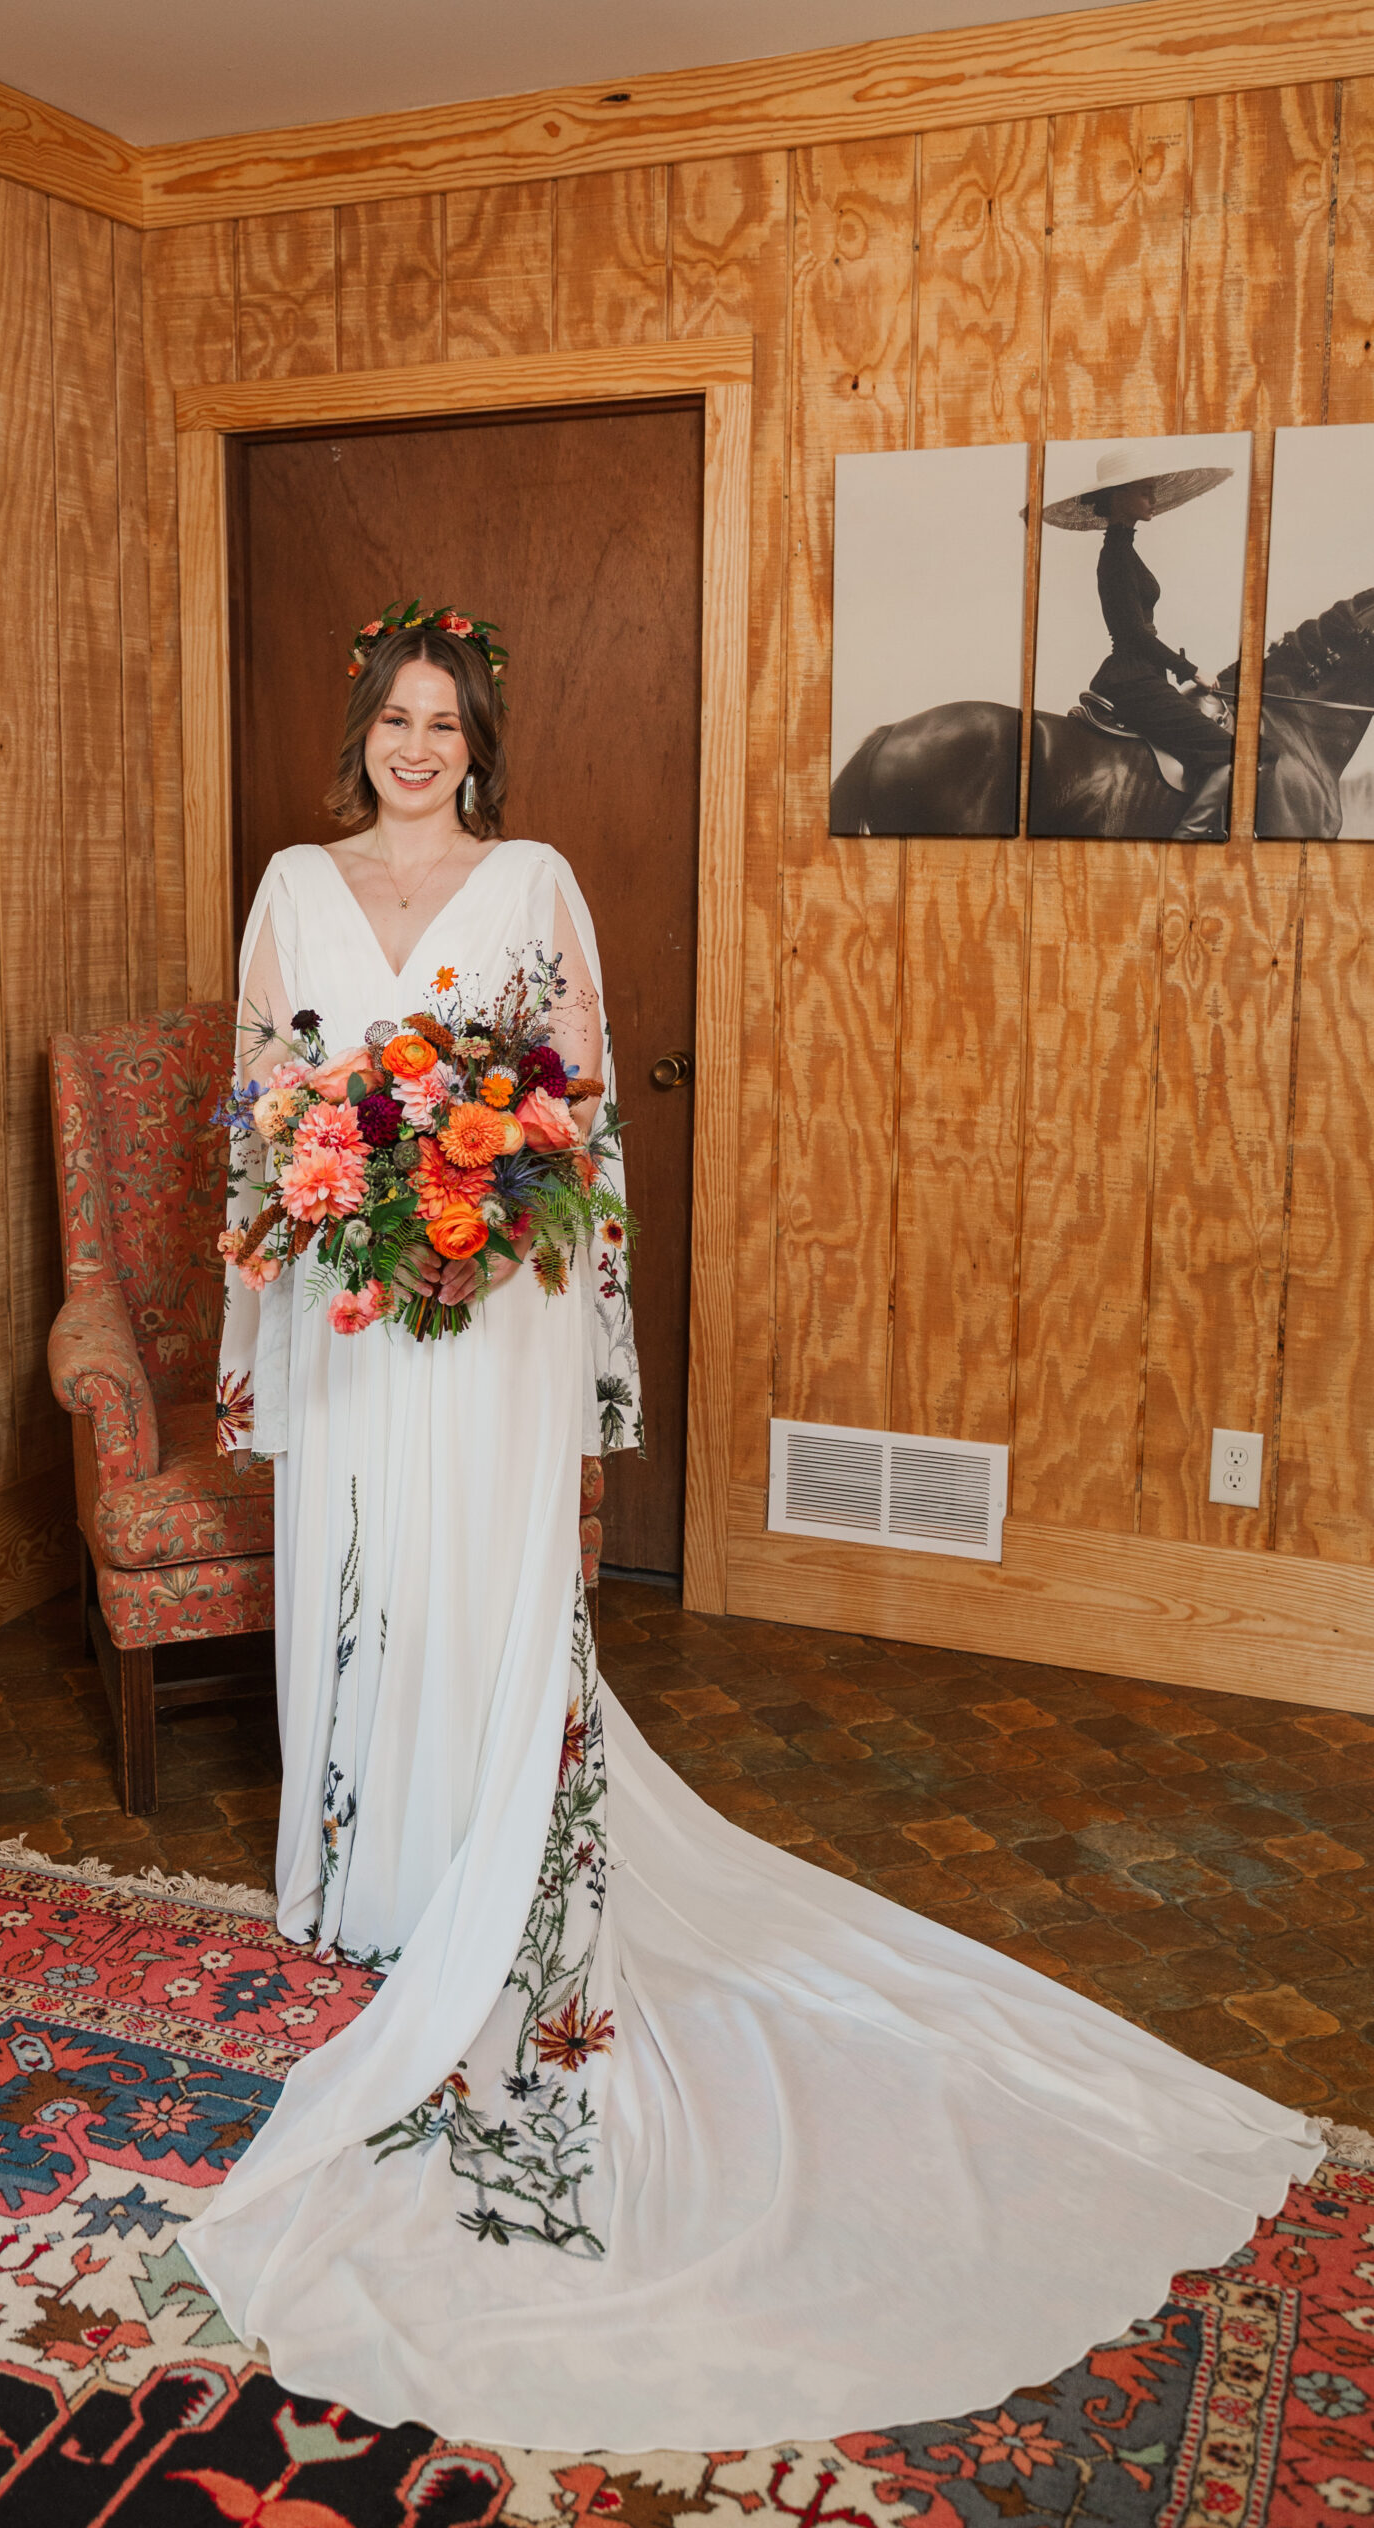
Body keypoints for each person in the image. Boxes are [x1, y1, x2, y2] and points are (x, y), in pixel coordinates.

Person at [183, 603, 1320, 2456]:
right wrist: (309, 1227)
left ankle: (480, 1861)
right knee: (356, 1572)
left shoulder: (532, 876)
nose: (413, 747)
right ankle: (362, 1877)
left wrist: (497, 1221)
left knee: (476, 1583)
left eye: (441, 722)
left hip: (489, 1310)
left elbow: (577, 1123)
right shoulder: (292, 882)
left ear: (480, 740)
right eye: (390, 718)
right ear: (359, 735)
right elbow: (259, 1102)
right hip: (347, 1301)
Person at [1045, 442, 1237, 840]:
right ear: (1119, 497)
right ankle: (1189, 835)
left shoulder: (1123, 550)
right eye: (1144, 490)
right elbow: (1132, 633)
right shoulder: (1115, 556)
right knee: (1236, 752)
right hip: (1133, 680)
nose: (1153, 497)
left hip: (1140, 676)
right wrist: (1191, 670)